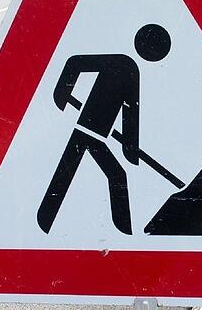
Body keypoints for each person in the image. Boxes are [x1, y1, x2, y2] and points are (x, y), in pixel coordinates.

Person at [36, 24, 171, 235]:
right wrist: (61, 93)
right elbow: (75, 62)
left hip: (94, 135)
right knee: (113, 175)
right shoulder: (123, 64)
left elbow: (129, 113)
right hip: (86, 131)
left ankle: (44, 220)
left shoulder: (128, 68)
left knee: (74, 172)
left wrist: (130, 148)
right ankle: (124, 232)